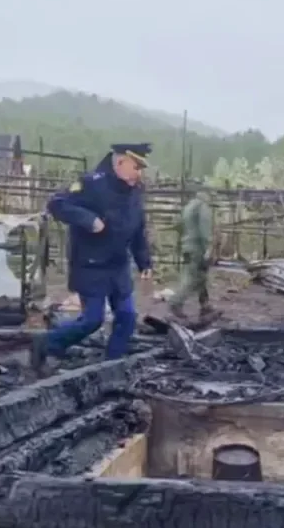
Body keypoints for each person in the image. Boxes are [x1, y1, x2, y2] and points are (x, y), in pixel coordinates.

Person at [31, 143, 153, 374]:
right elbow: (57, 204)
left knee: (127, 317)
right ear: (120, 163)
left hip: (118, 265)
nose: (139, 173)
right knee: (92, 320)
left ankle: (112, 365)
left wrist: (144, 261)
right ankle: (47, 343)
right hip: (91, 265)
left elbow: (138, 228)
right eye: (136, 167)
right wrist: (89, 220)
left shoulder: (134, 191)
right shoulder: (91, 184)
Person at [168, 185, 219, 322]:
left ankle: (205, 305)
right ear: (206, 194)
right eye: (211, 196)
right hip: (197, 247)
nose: (211, 199)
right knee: (194, 278)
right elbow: (204, 229)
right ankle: (175, 302)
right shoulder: (203, 207)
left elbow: (178, 225)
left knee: (200, 276)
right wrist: (208, 248)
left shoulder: (188, 207)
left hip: (187, 246)